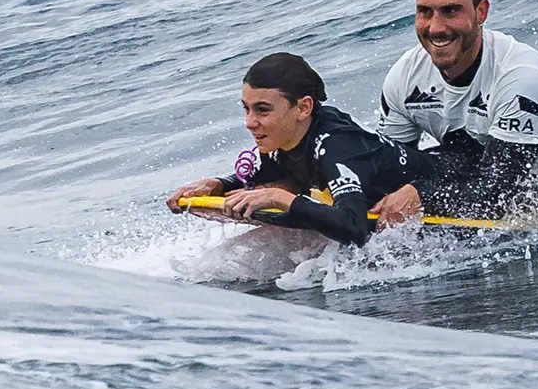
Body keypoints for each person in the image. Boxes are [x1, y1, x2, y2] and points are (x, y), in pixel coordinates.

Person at [369, 0, 538, 223]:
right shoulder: (404, 76)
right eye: (425, 11)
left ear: (481, 12)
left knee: (530, 197)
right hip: (478, 168)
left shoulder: (522, 77)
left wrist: (421, 196)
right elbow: (390, 169)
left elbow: (500, 195)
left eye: (451, 11)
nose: (436, 27)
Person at [163, 52, 415, 246]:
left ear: (303, 108)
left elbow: (354, 227)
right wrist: (216, 184)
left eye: (263, 110)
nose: (250, 123)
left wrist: (279, 198)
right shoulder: (282, 139)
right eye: (246, 108)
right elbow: (264, 175)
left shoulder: (335, 146)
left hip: (438, 183)